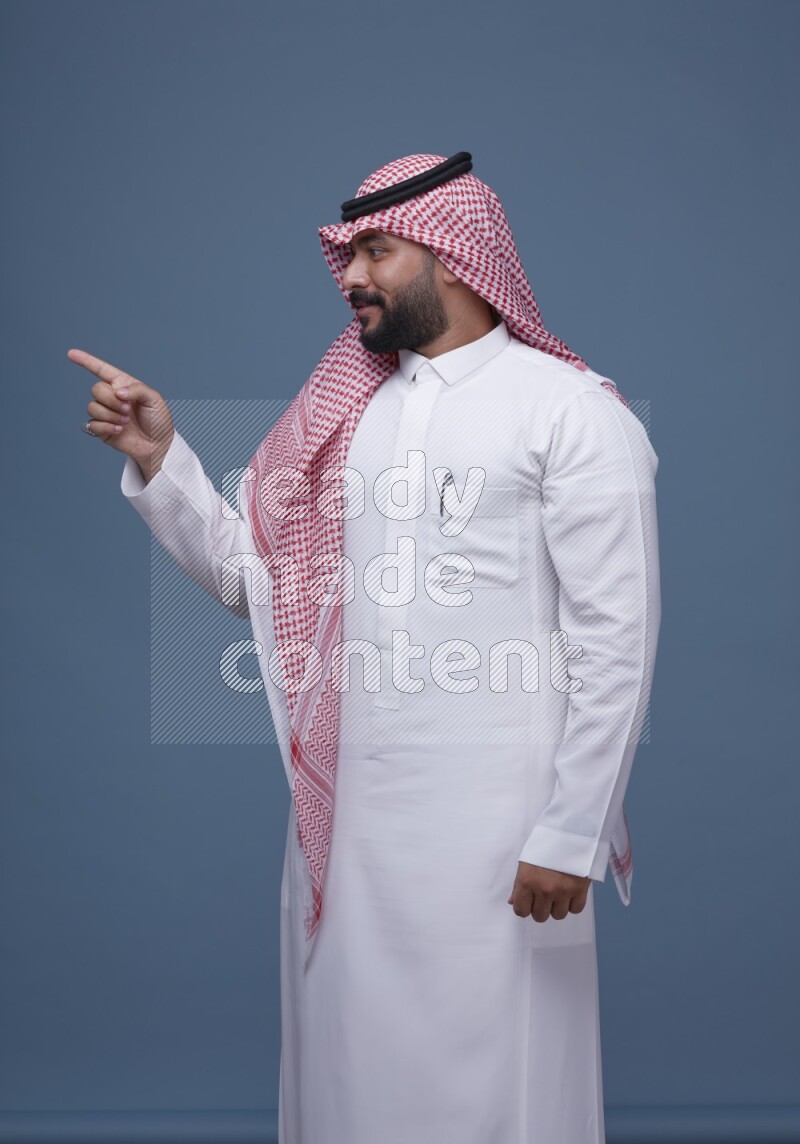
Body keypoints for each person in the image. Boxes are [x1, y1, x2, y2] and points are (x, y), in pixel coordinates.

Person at [68, 151, 661, 1144]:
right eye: (346, 254)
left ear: (454, 257)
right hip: (345, 827)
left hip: (503, 832)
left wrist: (569, 831)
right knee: (350, 1089)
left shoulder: (571, 413)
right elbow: (251, 577)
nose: (349, 277)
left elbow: (616, 638)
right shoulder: (348, 415)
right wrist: (161, 458)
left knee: (499, 1090)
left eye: (375, 251)